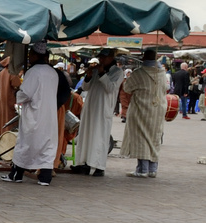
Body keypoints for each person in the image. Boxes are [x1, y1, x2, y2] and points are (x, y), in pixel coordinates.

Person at [6, 43, 58, 185]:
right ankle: (45, 178)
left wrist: (18, 94)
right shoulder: (53, 72)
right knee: (47, 145)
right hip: (49, 116)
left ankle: (16, 175)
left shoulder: (34, 72)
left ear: (35, 55)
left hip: (34, 114)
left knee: (26, 144)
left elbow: (26, 93)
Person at [70, 49, 119, 176]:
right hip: (90, 106)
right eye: (100, 57)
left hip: (103, 109)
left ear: (111, 57)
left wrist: (102, 73)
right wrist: (89, 75)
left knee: (99, 137)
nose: (101, 60)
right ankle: (84, 164)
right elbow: (86, 87)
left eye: (103, 57)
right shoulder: (97, 70)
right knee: (86, 135)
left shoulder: (117, 72)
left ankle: (99, 166)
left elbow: (110, 88)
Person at [122, 47, 167, 178]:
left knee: (141, 138)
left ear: (143, 58)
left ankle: (142, 169)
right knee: (155, 137)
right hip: (158, 109)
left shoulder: (139, 73)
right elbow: (166, 88)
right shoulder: (162, 72)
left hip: (141, 109)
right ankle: (153, 169)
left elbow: (127, 88)